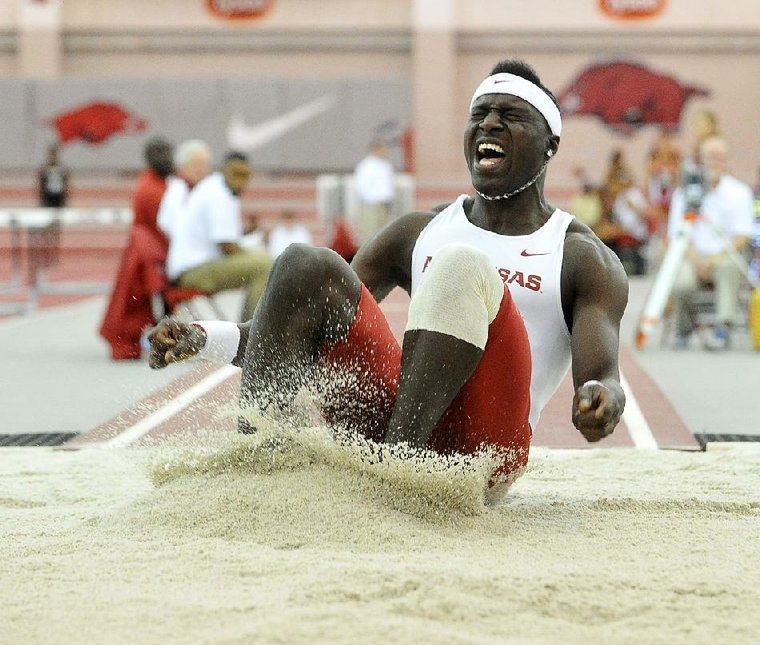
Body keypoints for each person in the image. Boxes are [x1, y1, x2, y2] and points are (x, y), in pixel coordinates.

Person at [147, 59, 628, 496]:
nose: (490, 123)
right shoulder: (418, 231)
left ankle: (396, 479)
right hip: (397, 423)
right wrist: (199, 337)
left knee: (461, 264)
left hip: (485, 452)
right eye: (479, 113)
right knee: (303, 265)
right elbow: (301, 332)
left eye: (511, 115)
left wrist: (601, 401)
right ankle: (262, 469)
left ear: (551, 145)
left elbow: (602, 377)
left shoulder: (580, 257)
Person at [667, 136, 755, 350]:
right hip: (692, 256)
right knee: (682, 281)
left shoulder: (740, 192)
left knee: (728, 268)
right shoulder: (683, 194)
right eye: (709, 157)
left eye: (719, 158)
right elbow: (677, 235)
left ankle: (723, 327)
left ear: (727, 161)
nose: (714, 162)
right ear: (701, 160)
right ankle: (683, 330)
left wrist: (715, 260)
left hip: (725, 256)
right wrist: (697, 261)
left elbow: (742, 237)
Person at [164, 151, 272, 322]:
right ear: (223, 171)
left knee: (264, 259)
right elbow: (227, 245)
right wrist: (256, 254)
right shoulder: (218, 194)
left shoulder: (214, 188)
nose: (240, 181)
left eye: (245, 176)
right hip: (193, 272)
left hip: (194, 266)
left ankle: (249, 330)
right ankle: (251, 333)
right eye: (236, 174)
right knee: (267, 266)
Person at [99, 136, 174, 360]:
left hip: (149, 251)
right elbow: (163, 229)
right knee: (147, 300)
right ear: (150, 159)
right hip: (149, 254)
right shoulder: (152, 190)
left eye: (169, 154)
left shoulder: (156, 184)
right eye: (162, 155)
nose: (168, 160)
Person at [157, 139, 213, 240]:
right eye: (196, 164)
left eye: (205, 164)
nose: (202, 169)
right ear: (181, 167)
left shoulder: (212, 191)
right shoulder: (176, 191)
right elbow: (167, 224)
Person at [353, 140, 395, 244]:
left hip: (383, 203)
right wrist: (372, 198)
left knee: (383, 232)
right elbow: (362, 186)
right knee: (370, 232)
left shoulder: (385, 166)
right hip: (371, 203)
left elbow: (388, 185)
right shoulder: (366, 166)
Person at [38, 144, 69, 208]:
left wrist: (66, 196)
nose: (52, 157)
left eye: (54, 155)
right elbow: (41, 183)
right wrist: (41, 198)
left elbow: (66, 182)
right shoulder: (45, 169)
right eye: (51, 155)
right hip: (48, 195)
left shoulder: (62, 169)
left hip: (59, 195)